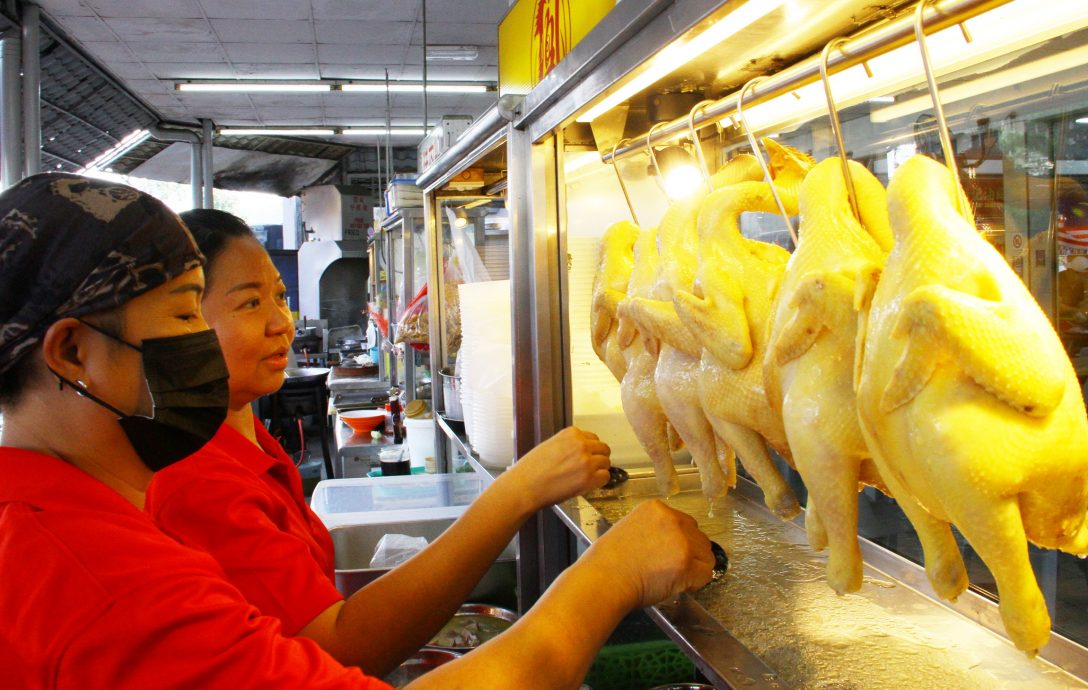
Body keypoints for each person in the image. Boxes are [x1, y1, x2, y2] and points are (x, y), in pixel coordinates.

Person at [0, 173, 714, 689]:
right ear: (72, 353)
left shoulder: (62, 519)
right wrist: (609, 575)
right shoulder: (100, 582)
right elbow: (333, 646)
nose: (280, 322)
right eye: (187, 314)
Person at [147, 208, 643, 675]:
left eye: (280, 296)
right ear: (181, 323)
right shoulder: (197, 479)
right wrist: (519, 493)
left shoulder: (247, 435)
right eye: (250, 302)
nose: (282, 322)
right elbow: (339, 649)